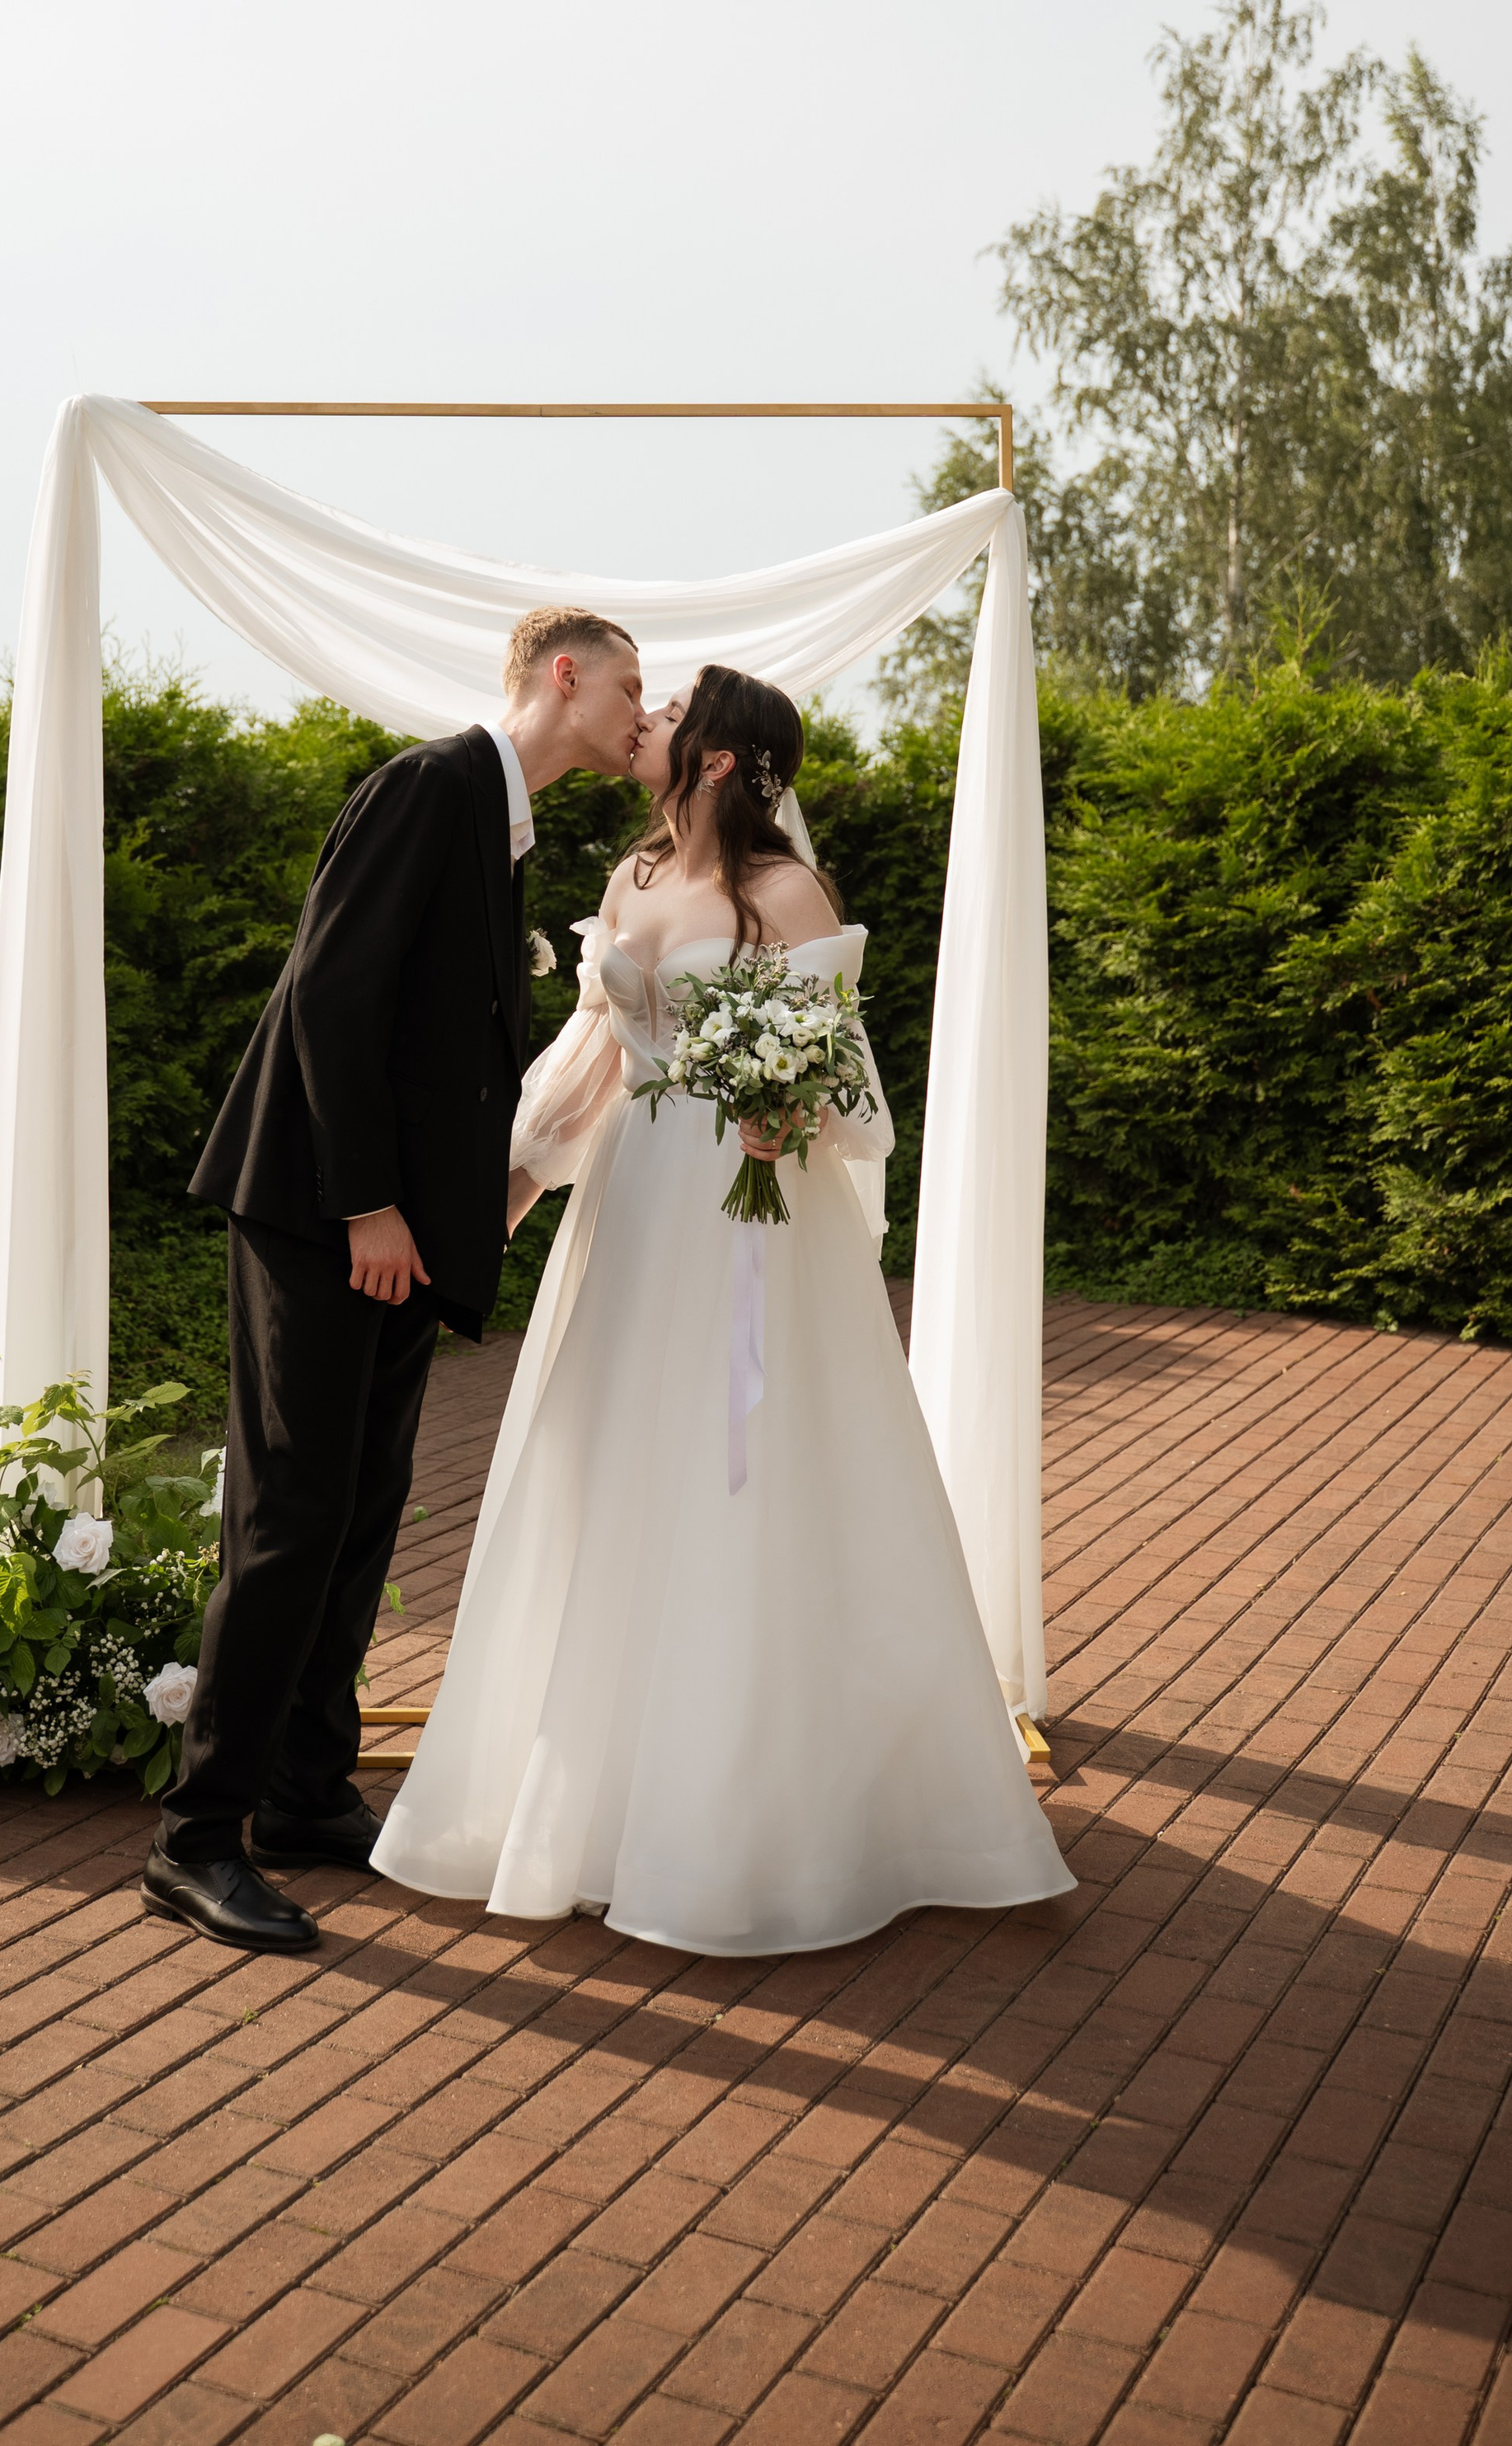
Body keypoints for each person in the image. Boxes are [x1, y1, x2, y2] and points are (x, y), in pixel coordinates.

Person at [370, 663, 1072, 1952]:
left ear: (711, 758)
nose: (647, 718)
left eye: (672, 707)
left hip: (747, 1218)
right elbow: (595, 1059)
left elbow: (847, 1091)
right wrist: (511, 1194)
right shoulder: (631, 881)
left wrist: (778, 1106)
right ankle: (594, 1797)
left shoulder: (786, 896)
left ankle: (750, 1815)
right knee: (612, 1466)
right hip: (635, 1212)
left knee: (744, 1480)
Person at [143, 608, 648, 1953]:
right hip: (323, 1219)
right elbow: (329, 997)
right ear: (563, 674)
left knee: (362, 1510)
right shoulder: (430, 786)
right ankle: (197, 1837)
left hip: (400, 1240)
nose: (638, 711)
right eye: (628, 685)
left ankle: (307, 1792)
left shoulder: (504, 824)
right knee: (289, 1516)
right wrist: (367, 1201)